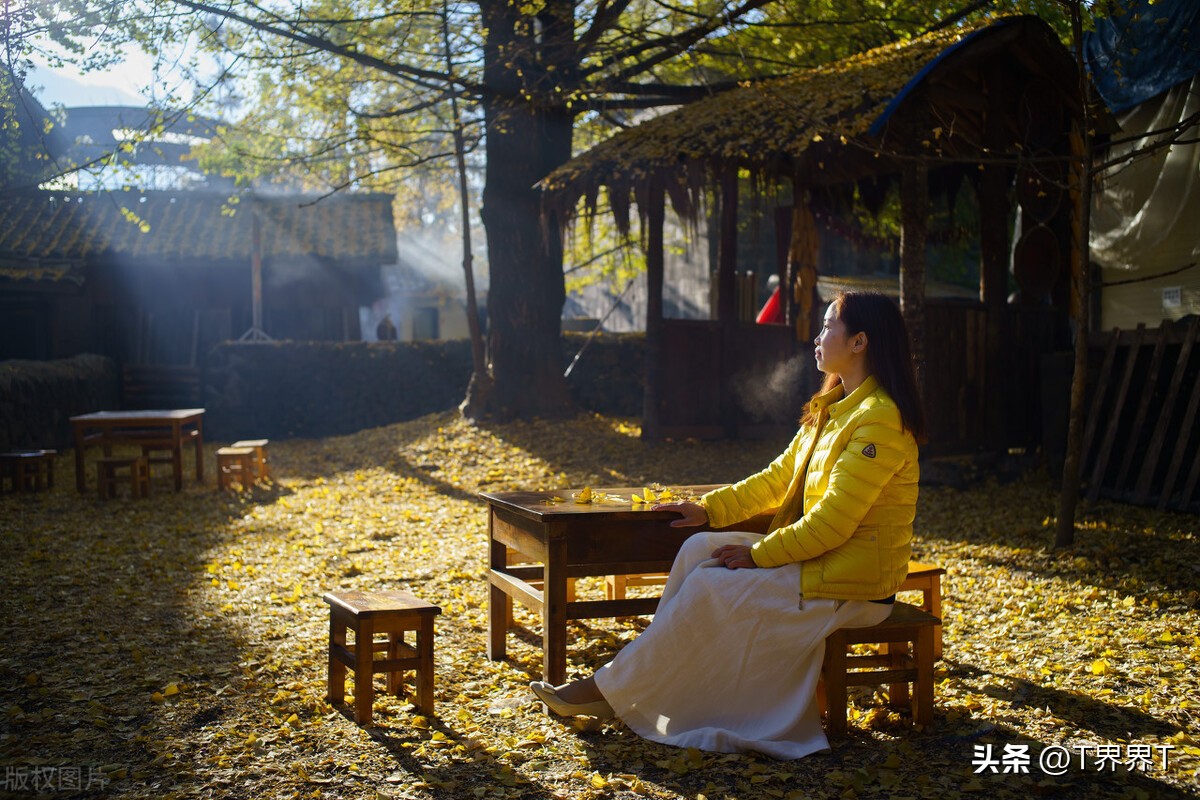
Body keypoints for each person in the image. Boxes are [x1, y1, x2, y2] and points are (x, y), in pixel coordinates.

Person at [530, 291, 927, 759]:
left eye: (827, 327)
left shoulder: (878, 419)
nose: (817, 337)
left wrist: (758, 556)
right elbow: (777, 478)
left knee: (713, 588)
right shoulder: (835, 405)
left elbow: (832, 526)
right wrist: (709, 510)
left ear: (859, 341)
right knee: (698, 550)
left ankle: (608, 689)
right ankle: (655, 685)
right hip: (822, 562)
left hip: (853, 584)